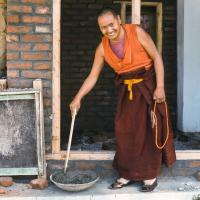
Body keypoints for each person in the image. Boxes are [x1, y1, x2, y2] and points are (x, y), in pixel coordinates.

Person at [69, 7, 176, 192]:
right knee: (124, 130)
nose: (109, 30)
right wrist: (77, 98)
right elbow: (92, 76)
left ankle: (149, 176)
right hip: (127, 91)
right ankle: (127, 174)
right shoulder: (102, 48)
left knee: (149, 130)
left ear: (118, 20)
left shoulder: (137, 32)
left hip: (148, 87)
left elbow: (157, 58)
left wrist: (160, 87)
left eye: (111, 24)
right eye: (104, 28)